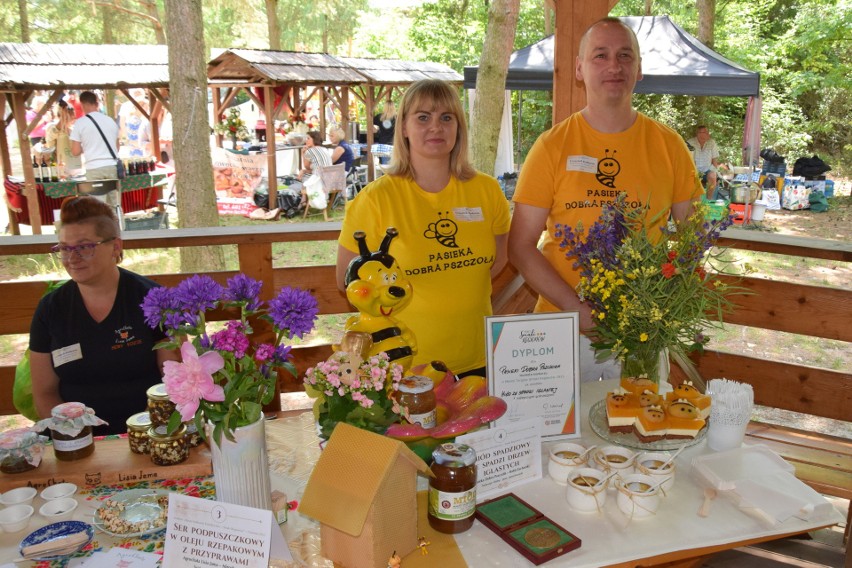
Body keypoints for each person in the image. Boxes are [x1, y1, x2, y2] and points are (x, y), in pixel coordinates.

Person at [508, 17, 702, 382]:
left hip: (640, 333)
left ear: (639, 69)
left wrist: (663, 299)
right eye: (600, 55)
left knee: (638, 433)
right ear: (579, 69)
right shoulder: (551, 146)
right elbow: (520, 246)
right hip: (558, 330)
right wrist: (577, 310)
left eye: (625, 55)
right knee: (556, 440)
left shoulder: (669, 145)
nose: (614, 66)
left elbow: (695, 235)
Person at [336, 79, 510, 376]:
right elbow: (346, 280)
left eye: (446, 117)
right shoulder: (376, 198)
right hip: (404, 366)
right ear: (403, 127)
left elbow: (499, 261)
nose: (436, 127)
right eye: (423, 117)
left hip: (478, 360)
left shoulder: (487, 190)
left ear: (459, 126)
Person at [28, 197, 178, 435]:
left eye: (84, 246)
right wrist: (75, 436)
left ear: (115, 247)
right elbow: (45, 393)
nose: (72, 258)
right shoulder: (51, 309)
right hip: (74, 438)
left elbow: (176, 381)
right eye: (65, 248)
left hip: (149, 431)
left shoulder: (154, 300)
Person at [70, 91, 122, 219]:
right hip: (111, 166)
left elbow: (75, 151)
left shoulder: (80, 123)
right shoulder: (110, 121)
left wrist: (87, 146)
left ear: (82, 104)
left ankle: (100, 235)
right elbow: (117, 147)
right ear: (97, 103)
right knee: (114, 206)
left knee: (97, 208)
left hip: (94, 168)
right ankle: (119, 231)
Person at [42, 103, 82, 178]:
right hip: (61, 169)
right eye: (70, 114)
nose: (72, 116)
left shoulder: (74, 128)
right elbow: (50, 138)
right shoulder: (52, 127)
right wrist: (63, 117)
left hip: (76, 169)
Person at [298, 130, 332, 207]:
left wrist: (302, 153)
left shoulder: (309, 151)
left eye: (308, 138)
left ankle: (303, 200)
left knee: (303, 177)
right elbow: (314, 169)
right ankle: (304, 200)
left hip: (320, 180)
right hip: (330, 179)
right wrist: (303, 171)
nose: (306, 140)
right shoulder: (324, 149)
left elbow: (306, 166)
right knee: (305, 174)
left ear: (314, 139)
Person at [687, 125, 721, 200]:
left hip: (707, 169)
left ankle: (709, 200)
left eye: (705, 133)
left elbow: (714, 159)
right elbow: (688, 160)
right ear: (697, 134)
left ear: (708, 134)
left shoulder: (712, 142)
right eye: (700, 133)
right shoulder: (690, 142)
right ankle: (696, 201)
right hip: (694, 169)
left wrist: (715, 173)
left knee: (712, 176)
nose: (702, 135)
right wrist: (695, 173)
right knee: (691, 180)